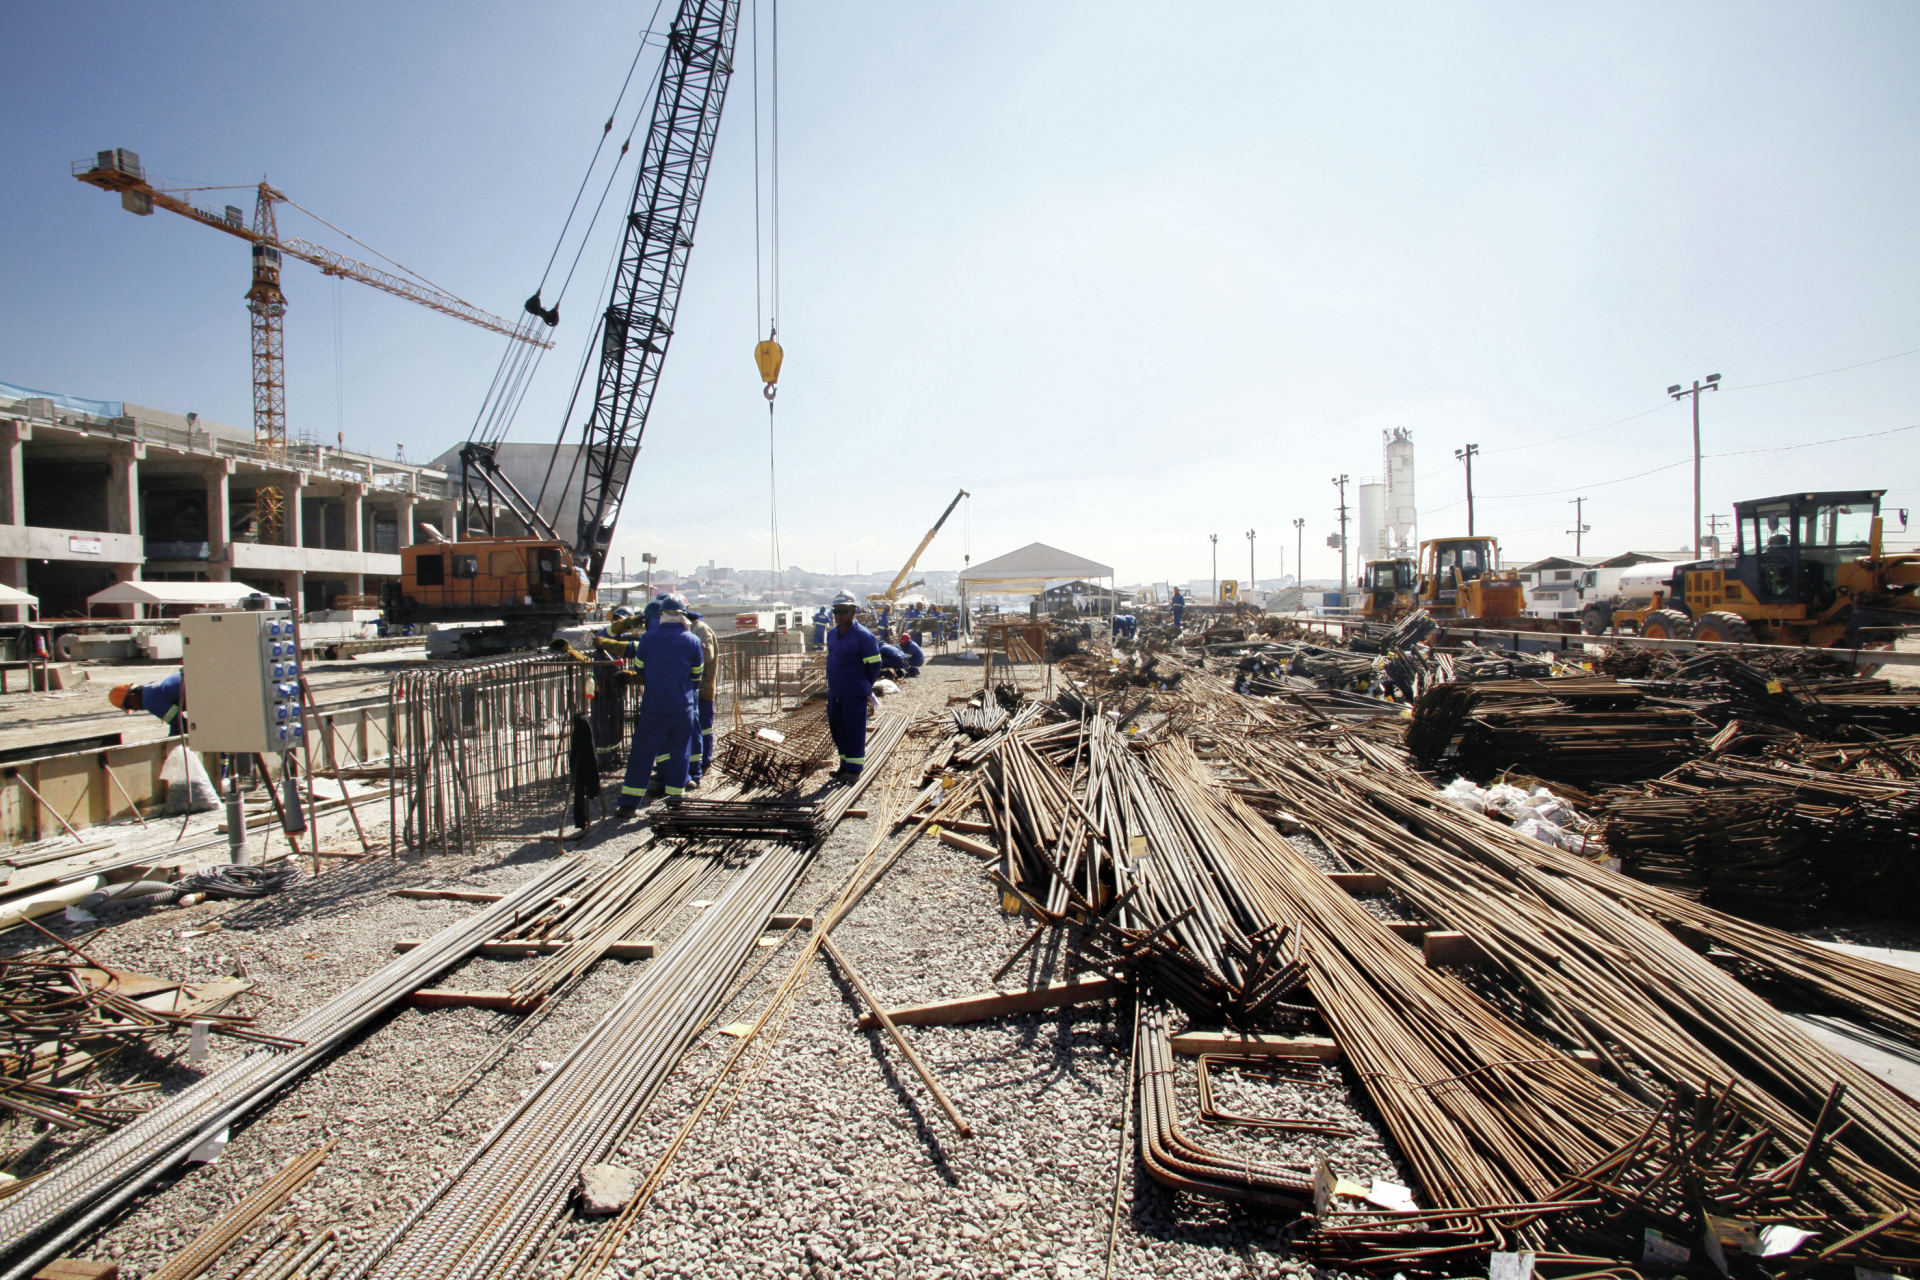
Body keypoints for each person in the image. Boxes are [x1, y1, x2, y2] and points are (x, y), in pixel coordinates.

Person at [598, 592, 704, 809]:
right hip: (682, 707)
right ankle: (676, 799)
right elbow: (696, 676)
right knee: (680, 753)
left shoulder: (647, 639)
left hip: (653, 706)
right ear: (682, 616)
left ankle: (628, 803)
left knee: (642, 753)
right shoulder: (693, 641)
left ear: (661, 615)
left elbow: (639, 669)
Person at [824, 591, 882, 778]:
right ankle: (844, 764)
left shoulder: (864, 636)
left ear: (853, 611)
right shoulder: (832, 635)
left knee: (854, 730)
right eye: (836, 611)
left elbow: (875, 665)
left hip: (854, 692)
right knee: (838, 729)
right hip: (836, 691)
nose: (839, 615)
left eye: (843, 610)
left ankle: (855, 770)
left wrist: (863, 684)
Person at [683, 606, 720, 788]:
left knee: (704, 727)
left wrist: (687, 655)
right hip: (694, 687)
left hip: (703, 686)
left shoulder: (700, 628)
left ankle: (705, 760)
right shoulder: (692, 629)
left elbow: (707, 655)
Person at [108, 673, 185, 734]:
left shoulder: (149, 700)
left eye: (130, 706)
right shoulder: (151, 687)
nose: (135, 709)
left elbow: (180, 724)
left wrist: (166, 745)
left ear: (131, 696)